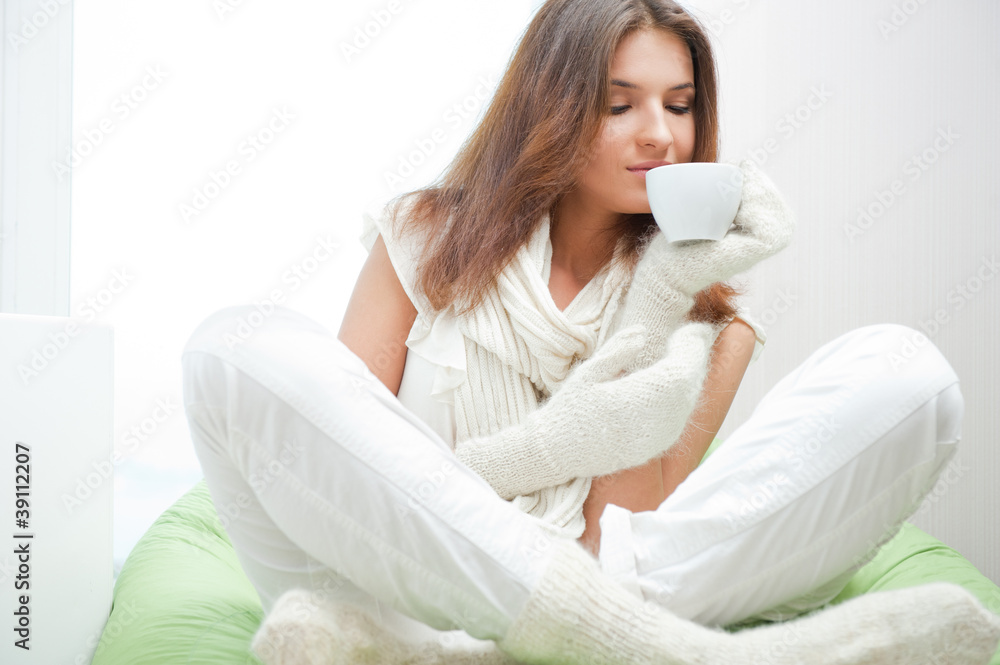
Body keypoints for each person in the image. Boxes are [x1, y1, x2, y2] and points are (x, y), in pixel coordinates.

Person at [180, 0, 1000, 663]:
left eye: (680, 106)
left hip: (612, 576)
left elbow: (617, 533)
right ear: (551, 106)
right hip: (391, 571)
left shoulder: (708, 310)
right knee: (231, 345)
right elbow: (357, 462)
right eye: (621, 104)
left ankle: (445, 652)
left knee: (909, 375)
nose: (661, 133)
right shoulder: (423, 237)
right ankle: (669, 652)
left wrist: (662, 295)